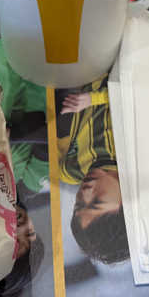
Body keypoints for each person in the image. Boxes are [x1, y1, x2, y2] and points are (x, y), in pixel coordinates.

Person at [56, 77, 129, 265]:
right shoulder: (134, 148)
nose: (85, 192)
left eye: (79, 204)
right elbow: (139, 90)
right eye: (97, 202)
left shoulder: (71, 170)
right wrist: (94, 99)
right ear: (127, 206)